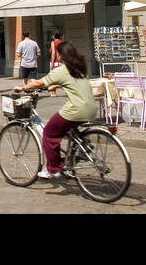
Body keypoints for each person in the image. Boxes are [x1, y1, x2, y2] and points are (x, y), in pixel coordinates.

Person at [19, 41, 97, 179]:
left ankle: (53, 168)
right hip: (91, 108)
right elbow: (72, 84)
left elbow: (39, 82)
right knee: (66, 129)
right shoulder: (79, 68)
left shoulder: (61, 70)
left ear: (61, 55)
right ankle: (83, 146)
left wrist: (23, 88)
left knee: (49, 133)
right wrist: (55, 87)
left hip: (75, 109)